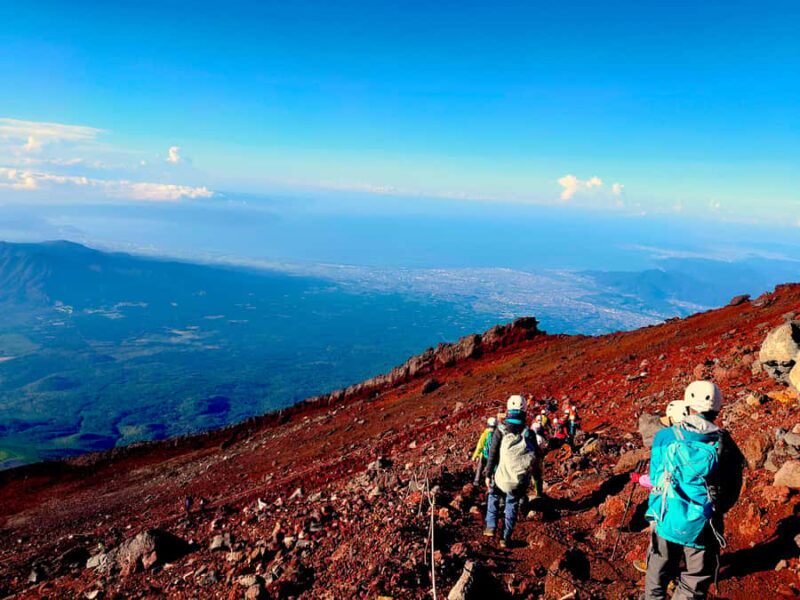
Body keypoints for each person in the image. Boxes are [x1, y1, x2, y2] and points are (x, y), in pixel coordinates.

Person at [639, 381, 744, 600]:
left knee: (658, 568)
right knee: (694, 580)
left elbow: (657, 479)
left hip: (666, 515)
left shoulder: (665, 437)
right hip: (703, 524)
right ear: (718, 407)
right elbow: (731, 490)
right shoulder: (725, 443)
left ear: (687, 403)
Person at [483, 395, 540, 548]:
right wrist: (536, 482)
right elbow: (536, 457)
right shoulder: (529, 433)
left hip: (500, 477)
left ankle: (491, 525)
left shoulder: (500, 430)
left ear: (508, 410)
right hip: (518, 480)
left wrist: (488, 474)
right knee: (512, 505)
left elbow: (492, 454)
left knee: (493, 495)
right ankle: (505, 537)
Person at [471, 416, 498, 486]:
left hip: (485, 455)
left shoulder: (485, 434)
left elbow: (480, 445)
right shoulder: (498, 434)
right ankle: (492, 483)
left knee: (480, 467)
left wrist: (475, 456)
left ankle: (476, 480)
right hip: (493, 457)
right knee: (493, 469)